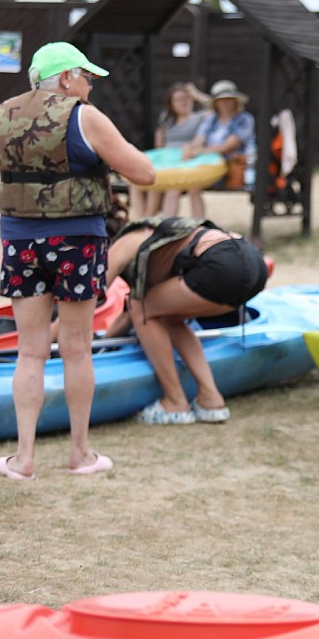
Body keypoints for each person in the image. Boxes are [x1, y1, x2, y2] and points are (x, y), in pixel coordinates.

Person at [0, 41, 156, 480]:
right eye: (86, 77)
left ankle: (23, 459)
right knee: (78, 349)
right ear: (65, 77)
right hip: (76, 241)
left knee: (30, 351)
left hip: (19, 241)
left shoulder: (3, 114)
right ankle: (80, 454)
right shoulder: (84, 116)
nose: (90, 87)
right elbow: (145, 173)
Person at [102, 216, 268, 425]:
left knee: (142, 307)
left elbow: (89, 299)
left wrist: (54, 336)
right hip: (253, 263)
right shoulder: (157, 237)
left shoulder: (124, 242)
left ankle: (174, 402)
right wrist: (104, 343)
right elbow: (130, 314)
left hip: (222, 262)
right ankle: (211, 399)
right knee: (168, 317)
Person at [173, 80, 256, 218]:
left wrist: (198, 151)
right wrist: (191, 148)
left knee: (193, 180)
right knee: (187, 181)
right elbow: (199, 140)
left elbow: (227, 147)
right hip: (209, 164)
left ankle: (198, 223)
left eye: (229, 99)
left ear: (235, 101)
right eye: (222, 100)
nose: (226, 103)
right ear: (216, 103)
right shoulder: (211, 119)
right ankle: (195, 223)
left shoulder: (244, 119)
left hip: (232, 168)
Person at [132, 82, 211, 218]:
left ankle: (162, 222)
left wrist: (196, 94)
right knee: (143, 183)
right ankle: (141, 219)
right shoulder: (166, 119)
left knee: (172, 188)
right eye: (178, 99)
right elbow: (159, 145)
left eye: (186, 99)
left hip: (185, 161)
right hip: (166, 160)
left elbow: (216, 109)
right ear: (172, 103)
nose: (183, 103)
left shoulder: (199, 118)